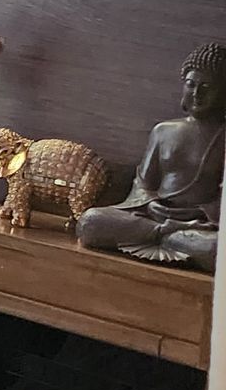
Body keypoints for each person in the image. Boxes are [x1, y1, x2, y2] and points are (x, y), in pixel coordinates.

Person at [77, 43, 224, 272]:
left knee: (218, 249)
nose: (197, 93)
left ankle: (169, 234)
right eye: (191, 84)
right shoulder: (163, 131)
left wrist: (198, 216)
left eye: (206, 87)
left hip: (199, 224)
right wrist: (152, 203)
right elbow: (143, 184)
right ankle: (166, 234)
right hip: (154, 215)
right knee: (90, 221)